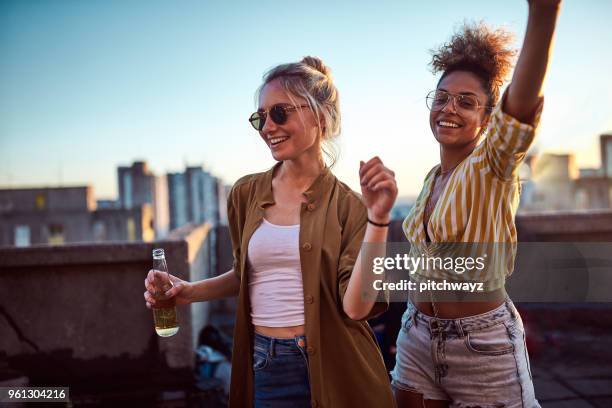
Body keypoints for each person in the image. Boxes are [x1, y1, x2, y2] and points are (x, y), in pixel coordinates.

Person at [144, 56, 397, 407]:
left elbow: (356, 308)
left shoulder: (351, 206)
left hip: (339, 367)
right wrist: (188, 292)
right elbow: (245, 274)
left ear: (320, 117)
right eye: (260, 117)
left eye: (280, 113)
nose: (267, 127)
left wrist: (378, 220)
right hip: (267, 365)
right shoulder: (245, 194)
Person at [390, 1, 561, 407]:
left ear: (486, 119)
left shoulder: (492, 165)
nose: (449, 108)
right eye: (442, 97)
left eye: (466, 102)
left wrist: (543, 14)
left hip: (481, 343)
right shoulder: (433, 177)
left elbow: (519, 108)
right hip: (416, 333)